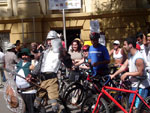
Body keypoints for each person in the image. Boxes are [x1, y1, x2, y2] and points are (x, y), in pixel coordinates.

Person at [28, 30, 62, 113]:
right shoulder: (45, 52)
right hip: (42, 81)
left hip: (52, 81)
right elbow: (39, 66)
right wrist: (32, 75)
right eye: (48, 40)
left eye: (52, 39)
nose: (50, 42)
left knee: (55, 107)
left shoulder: (60, 52)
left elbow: (67, 61)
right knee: (36, 104)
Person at [110, 36, 149, 109]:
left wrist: (127, 73)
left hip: (142, 86)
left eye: (125, 45)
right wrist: (113, 75)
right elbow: (124, 66)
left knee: (139, 109)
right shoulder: (130, 55)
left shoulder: (138, 58)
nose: (123, 47)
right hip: (134, 85)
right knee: (131, 106)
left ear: (130, 45)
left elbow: (140, 73)